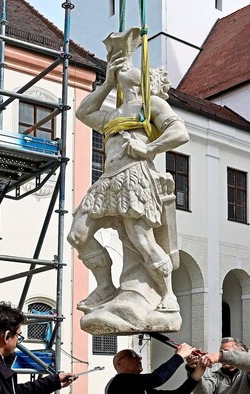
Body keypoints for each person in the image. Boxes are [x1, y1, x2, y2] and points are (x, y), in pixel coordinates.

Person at [69, 26, 190, 317]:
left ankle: (168, 296)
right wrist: (107, 84)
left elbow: (180, 133)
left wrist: (150, 149)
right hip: (108, 180)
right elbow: (82, 112)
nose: (127, 71)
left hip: (135, 176)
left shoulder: (151, 105)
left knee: (142, 241)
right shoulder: (112, 114)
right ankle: (105, 287)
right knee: (78, 235)